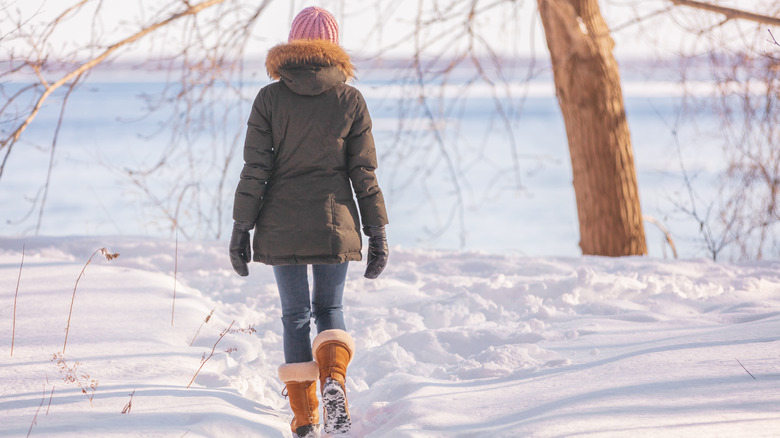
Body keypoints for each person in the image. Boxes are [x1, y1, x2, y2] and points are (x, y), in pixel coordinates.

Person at [229, 6, 389, 438]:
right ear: (333, 47)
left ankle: (305, 419)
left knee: (295, 314)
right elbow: (364, 172)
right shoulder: (350, 99)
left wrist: (241, 227)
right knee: (330, 309)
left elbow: (255, 170)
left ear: (292, 45)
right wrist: (377, 230)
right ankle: (334, 379)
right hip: (334, 221)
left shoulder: (269, 99)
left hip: (279, 223)